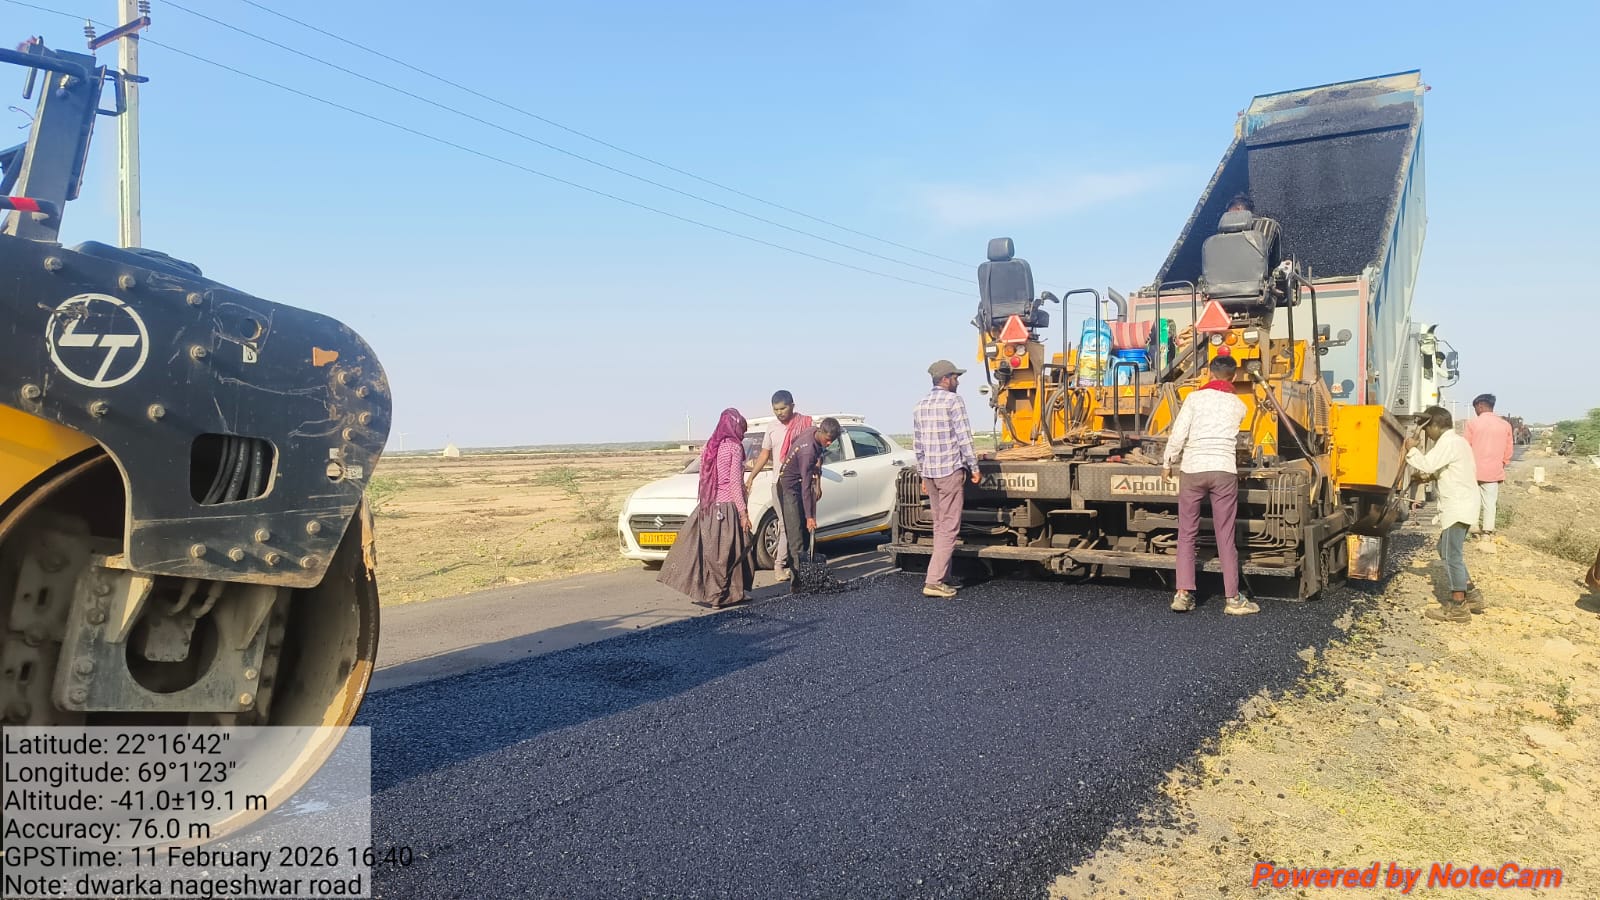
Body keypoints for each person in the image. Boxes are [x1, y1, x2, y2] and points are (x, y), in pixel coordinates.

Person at [1163, 354, 1255, 615]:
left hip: (1192, 469)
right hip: (1223, 470)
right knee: (1225, 535)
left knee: (1186, 533)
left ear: (1209, 373)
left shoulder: (1194, 399)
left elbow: (1179, 433)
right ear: (1233, 377)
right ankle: (1233, 599)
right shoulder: (1239, 405)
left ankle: (1183, 594)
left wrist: (1167, 462)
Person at [657, 408, 755, 609]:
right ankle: (719, 596)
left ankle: (724, 594)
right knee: (728, 554)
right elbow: (735, 484)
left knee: (711, 554)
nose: (742, 435)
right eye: (742, 430)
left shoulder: (711, 446)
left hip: (708, 508)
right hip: (727, 508)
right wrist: (743, 513)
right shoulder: (734, 448)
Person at [1403, 406, 1481, 623]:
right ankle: (1471, 594)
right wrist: (1429, 478)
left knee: (1451, 554)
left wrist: (1411, 449)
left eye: (1428, 429)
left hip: (1458, 506)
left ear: (1436, 425)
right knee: (1444, 548)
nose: (1427, 434)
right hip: (1463, 503)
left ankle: (1458, 606)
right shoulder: (1457, 442)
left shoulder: (1448, 443)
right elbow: (1450, 470)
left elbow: (1428, 464)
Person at [912, 360, 980, 599]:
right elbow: (964, 437)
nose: (957, 381)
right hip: (949, 471)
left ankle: (943, 575)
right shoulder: (953, 401)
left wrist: (922, 473)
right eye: (955, 377)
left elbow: (918, 445)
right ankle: (934, 581)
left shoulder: (920, 405)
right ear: (945, 379)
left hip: (930, 473)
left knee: (940, 525)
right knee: (949, 527)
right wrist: (974, 467)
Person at [745, 390, 813, 581]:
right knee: (785, 525)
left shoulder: (806, 425)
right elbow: (764, 454)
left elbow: (815, 455)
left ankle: (801, 567)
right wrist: (751, 477)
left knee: (801, 527)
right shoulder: (772, 428)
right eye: (776, 409)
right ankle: (780, 566)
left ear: (792, 405)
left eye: (783, 408)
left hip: (801, 483)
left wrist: (817, 480)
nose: (779, 413)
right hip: (780, 483)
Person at [776, 417, 841, 593]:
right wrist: (809, 516)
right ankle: (797, 584)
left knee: (807, 535)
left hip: (800, 483)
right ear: (821, 432)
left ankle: (809, 577)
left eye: (832, 441)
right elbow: (805, 487)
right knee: (796, 536)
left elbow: (813, 467)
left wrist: (816, 474)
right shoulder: (807, 452)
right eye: (827, 440)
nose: (829, 444)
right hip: (789, 488)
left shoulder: (812, 432)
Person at [1463, 393, 1513, 548]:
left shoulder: (1472, 423)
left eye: (1475, 408)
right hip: (1494, 471)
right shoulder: (1505, 425)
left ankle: (1473, 527)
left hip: (1473, 471)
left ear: (1480, 406)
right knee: (1490, 503)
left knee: (1473, 500)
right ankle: (1487, 533)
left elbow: (1465, 447)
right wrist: (1502, 463)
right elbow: (1508, 450)